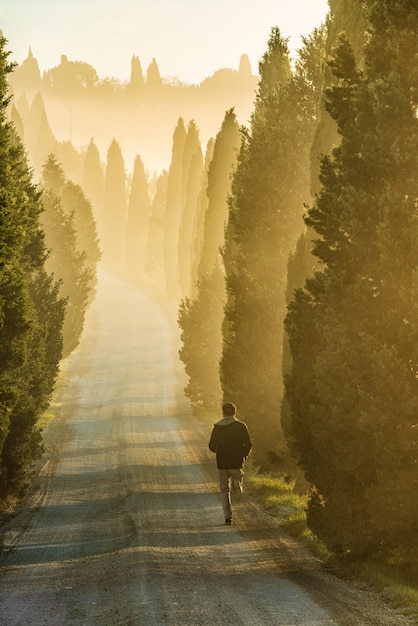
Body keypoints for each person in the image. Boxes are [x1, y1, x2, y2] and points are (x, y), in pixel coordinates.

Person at [208, 402, 252, 525]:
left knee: (224, 490)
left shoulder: (217, 427)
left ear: (223, 413)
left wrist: (219, 449)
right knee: (237, 477)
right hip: (236, 461)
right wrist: (243, 455)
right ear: (235, 412)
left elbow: (211, 446)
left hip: (222, 462)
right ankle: (237, 484)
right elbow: (248, 444)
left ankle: (228, 517)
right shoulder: (241, 426)